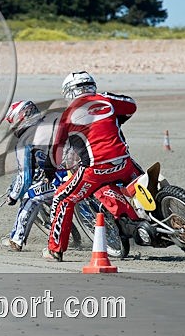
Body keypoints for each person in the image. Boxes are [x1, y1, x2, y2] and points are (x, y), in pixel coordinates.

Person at [44, 71, 141, 261]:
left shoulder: (67, 115)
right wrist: (116, 120)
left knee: (62, 198)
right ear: (92, 85)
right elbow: (131, 106)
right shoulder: (106, 98)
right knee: (145, 183)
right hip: (124, 162)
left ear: (69, 92)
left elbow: (56, 149)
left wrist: (49, 171)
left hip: (96, 170)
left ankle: (55, 250)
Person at [1, 100, 57, 252]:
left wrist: (13, 197)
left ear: (21, 116)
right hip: (85, 165)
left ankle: (15, 240)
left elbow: (24, 178)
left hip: (61, 177)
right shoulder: (52, 119)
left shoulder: (24, 141)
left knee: (30, 197)